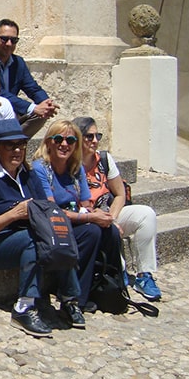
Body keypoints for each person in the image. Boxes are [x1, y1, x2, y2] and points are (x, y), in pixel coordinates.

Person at [0, 119, 84, 337]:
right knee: (33, 240)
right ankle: (24, 307)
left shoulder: (28, 176)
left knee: (60, 235)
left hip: (25, 235)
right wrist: (13, 214)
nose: (17, 151)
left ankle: (69, 298)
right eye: (10, 145)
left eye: (21, 145)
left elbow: (44, 208)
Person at [73, 116, 161, 301]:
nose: (95, 141)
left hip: (109, 213)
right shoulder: (70, 164)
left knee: (146, 215)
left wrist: (111, 218)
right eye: (89, 137)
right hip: (86, 219)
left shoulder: (104, 159)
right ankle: (117, 273)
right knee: (107, 231)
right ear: (78, 137)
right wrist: (104, 221)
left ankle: (144, 274)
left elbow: (120, 194)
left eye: (97, 136)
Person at [32, 120, 115, 314]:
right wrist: (90, 218)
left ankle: (108, 287)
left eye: (70, 140)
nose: (64, 144)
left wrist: (98, 215)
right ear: (49, 142)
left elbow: (86, 204)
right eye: (58, 139)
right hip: (52, 225)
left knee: (110, 231)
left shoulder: (76, 169)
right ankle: (74, 297)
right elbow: (52, 211)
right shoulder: (40, 169)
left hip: (73, 219)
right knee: (91, 232)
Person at [0, 19, 59, 138]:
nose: (9, 44)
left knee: (41, 114)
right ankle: (8, 141)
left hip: (11, 112)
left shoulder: (18, 62)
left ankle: (15, 142)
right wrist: (32, 108)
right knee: (34, 110)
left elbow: (32, 88)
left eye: (13, 40)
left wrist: (47, 103)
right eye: (4, 39)